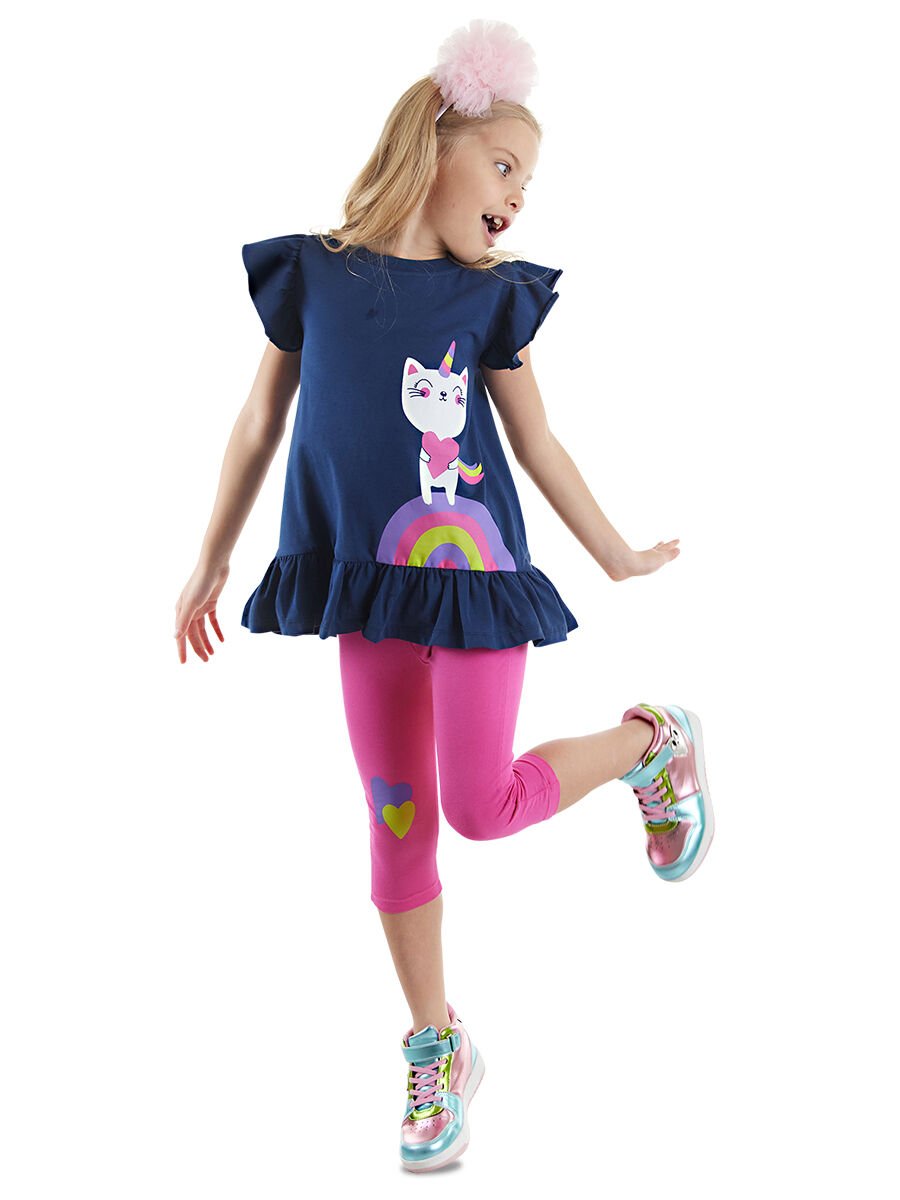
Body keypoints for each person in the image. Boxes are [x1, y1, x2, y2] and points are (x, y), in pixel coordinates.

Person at [173, 19, 715, 1174]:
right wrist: (212, 556)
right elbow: (260, 420)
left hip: (472, 586)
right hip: (365, 592)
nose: (517, 198)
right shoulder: (314, 274)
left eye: (528, 182)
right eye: (506, 166)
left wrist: (615, 553)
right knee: (396, 821)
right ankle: (436, 1042)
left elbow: (538, 441)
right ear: (434, 145)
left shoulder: (489, 300)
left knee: (478, 805)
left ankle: (649, 744)